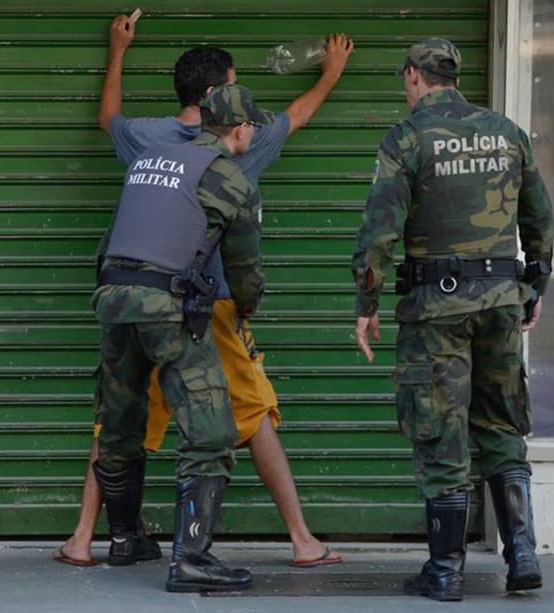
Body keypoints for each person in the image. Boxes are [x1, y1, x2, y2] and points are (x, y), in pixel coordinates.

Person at [54, 13, 353, 568]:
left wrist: (118, 49)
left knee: (120, 418)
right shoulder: (240, 150)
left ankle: (84, 538)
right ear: (222, 101)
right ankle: (294, 541)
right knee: (245, 415)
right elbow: (296, 118)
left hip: (127, 299)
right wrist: (331, 75)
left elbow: (108, 117)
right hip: (202, 303)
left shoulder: (146, 141)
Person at [351, 38, 554, 602]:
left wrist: (366, 304)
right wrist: (533, 288)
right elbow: (540, 217)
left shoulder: (408, 137)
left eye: (405, 77)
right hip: (499, 302)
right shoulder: (507, 131)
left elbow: (379, 232)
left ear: (415, 76)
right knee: (500, 425)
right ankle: (523, 557)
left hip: (436, 309)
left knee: (441, 431)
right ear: (454, 77)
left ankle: (445, 572)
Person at [91, 83, 268, 592]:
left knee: (121, 422)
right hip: (166, 305)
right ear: (242, 129)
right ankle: (192, 559)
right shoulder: (230, 179)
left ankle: (126, 539)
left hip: (114, 297)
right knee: (211, 429)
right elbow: (244, 268)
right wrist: (246, 309)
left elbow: (114, 235)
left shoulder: (150, 158)